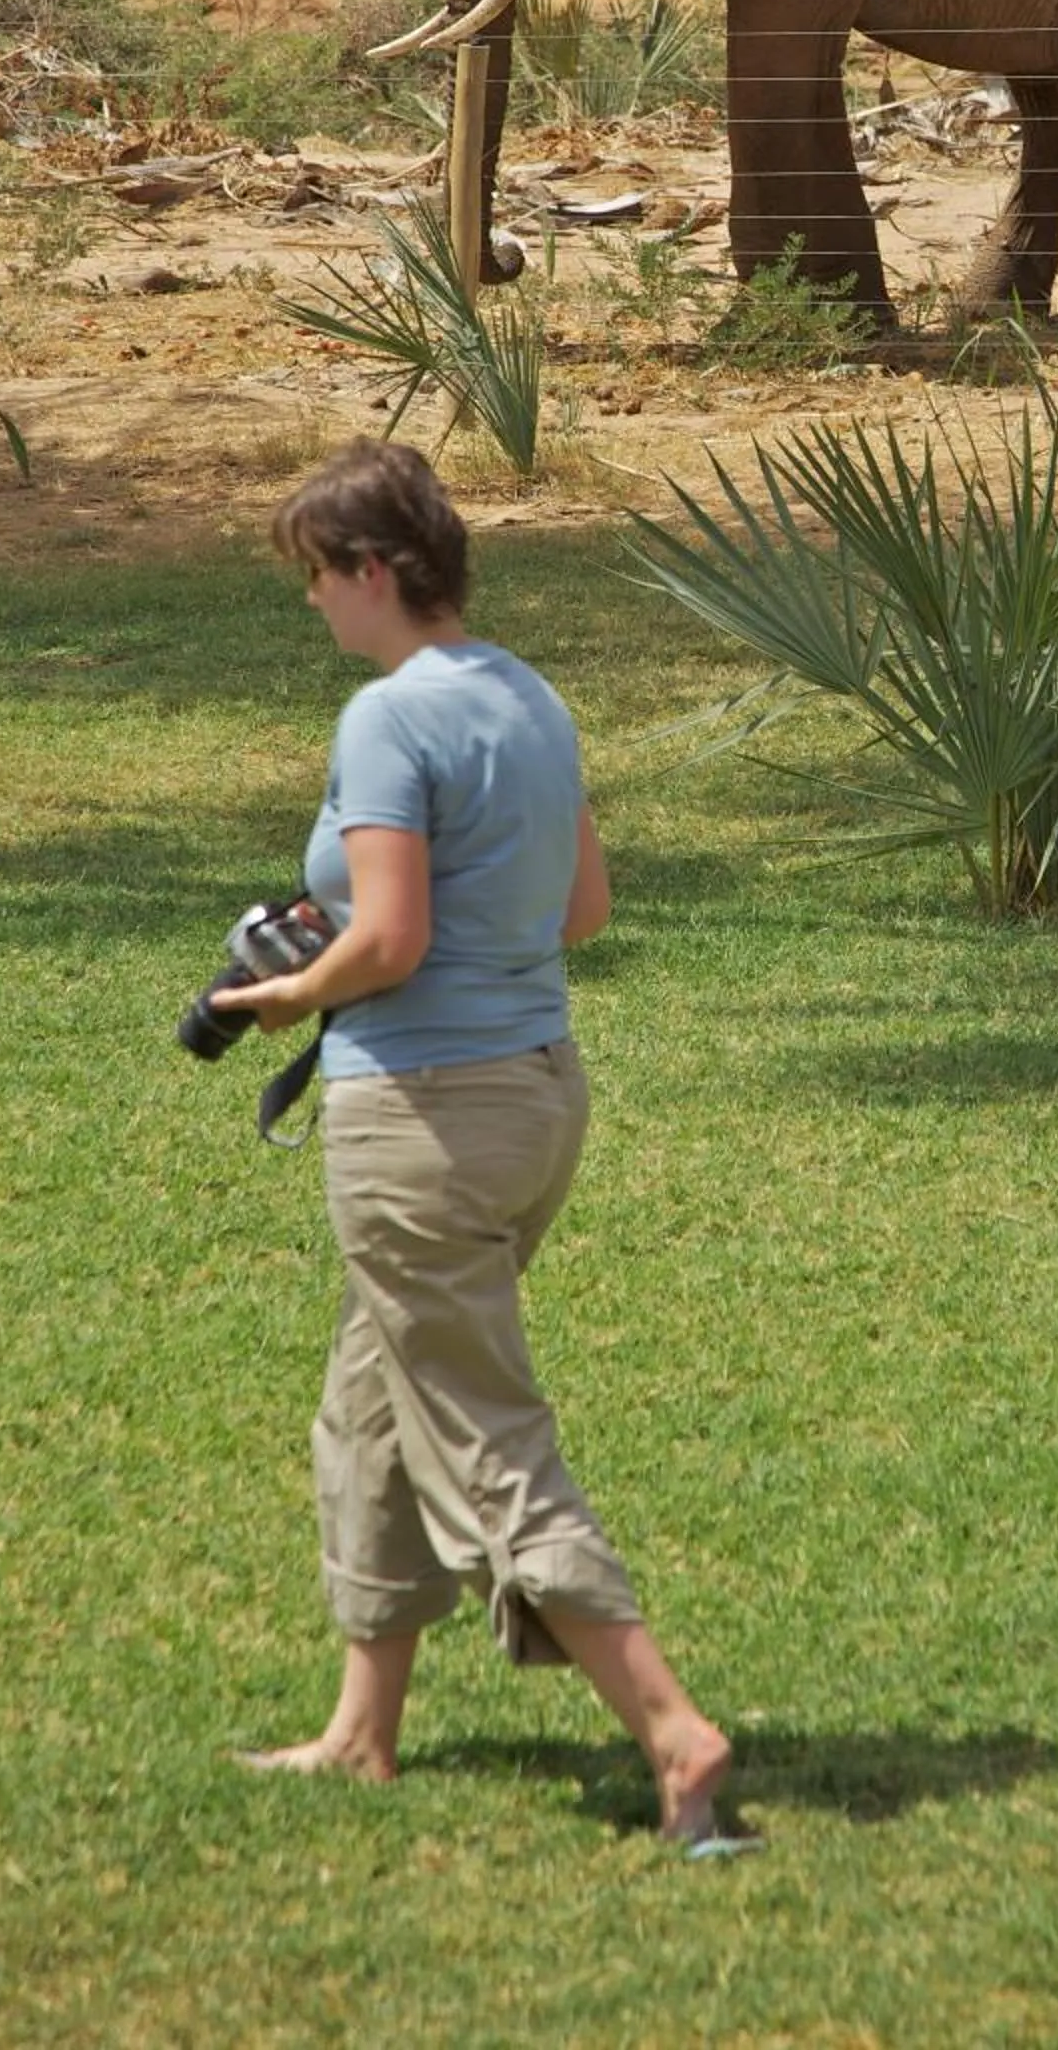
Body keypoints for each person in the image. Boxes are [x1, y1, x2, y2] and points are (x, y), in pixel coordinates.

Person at [212, 438, 736, 1847]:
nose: (315, 607)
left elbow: (390, 938)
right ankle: (360, 1733)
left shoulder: (388, 719)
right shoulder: (529, 696)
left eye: (318, 581)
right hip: (536, 1096)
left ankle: (674, 1733)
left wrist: (283, 995)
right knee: (374, 1407)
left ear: (373, 571)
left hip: (421, 1120)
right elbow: (580, 910)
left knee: (484, 1439)